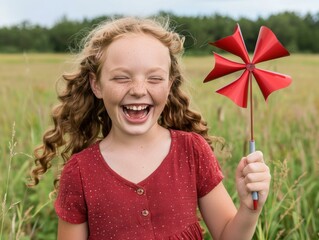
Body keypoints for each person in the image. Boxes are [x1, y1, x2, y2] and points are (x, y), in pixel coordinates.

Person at [29, 16, 271, 240]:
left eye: (154, 78)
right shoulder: (80, 173)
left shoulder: (191, 151)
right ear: (96, 85)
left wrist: (248, 210)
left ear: (169, 84)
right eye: (121, 77)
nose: (138, 89)